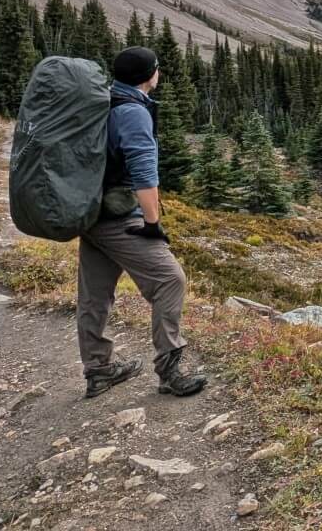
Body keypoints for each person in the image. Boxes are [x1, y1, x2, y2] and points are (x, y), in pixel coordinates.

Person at [77, 46, 207, 398]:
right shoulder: (133, 112)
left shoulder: (103, 100)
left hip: (89, 211)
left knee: (94, 293)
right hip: (117, 215)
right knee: (169, 279)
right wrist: (152, 222)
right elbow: (144, 173)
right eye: (157, 69)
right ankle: (170, 369)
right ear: (151, 75)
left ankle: (99, 369)